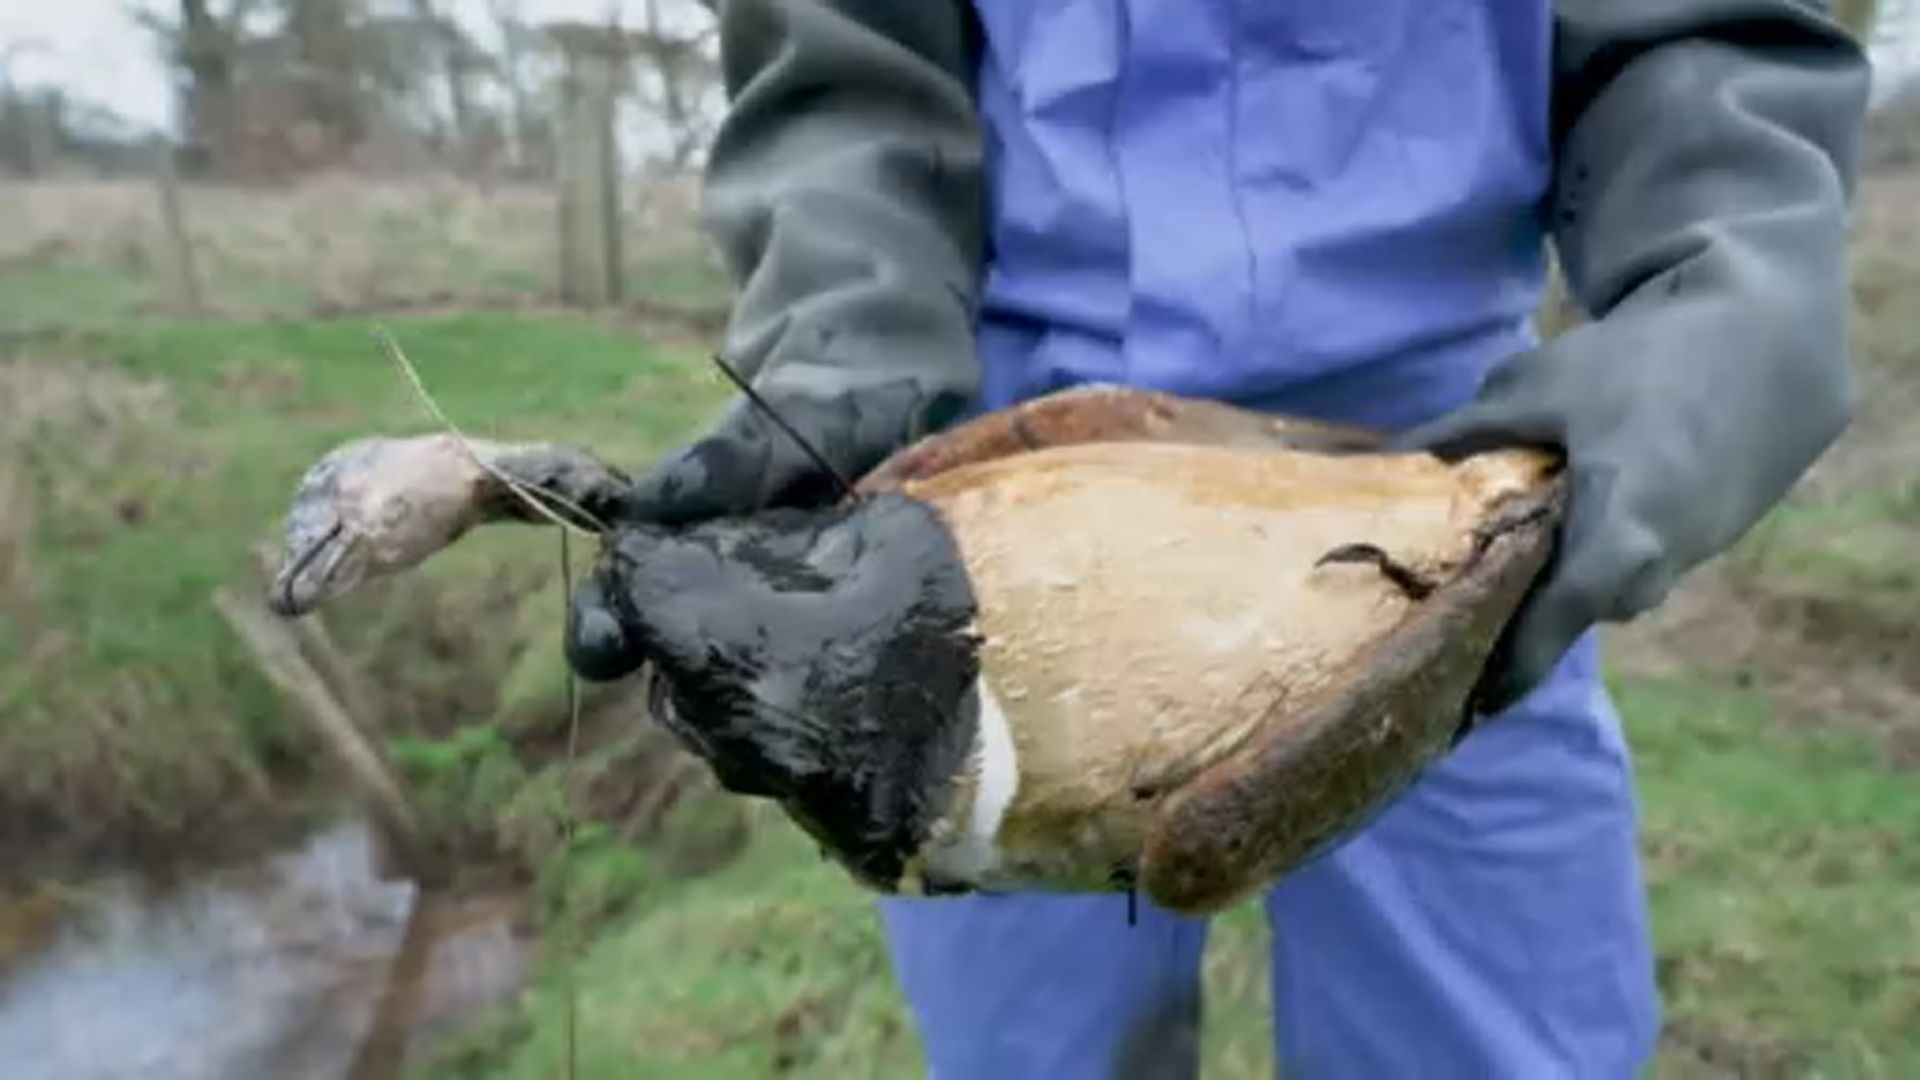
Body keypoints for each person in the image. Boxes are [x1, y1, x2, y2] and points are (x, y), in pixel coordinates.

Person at [566, 1, 1871, 1075]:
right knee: (1034, 1044)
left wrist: (1712, 317)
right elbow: (848, 58)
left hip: (1445, 495)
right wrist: (849, 325)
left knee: (1496, 1040)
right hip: (994, 496)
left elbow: (1701, 58)